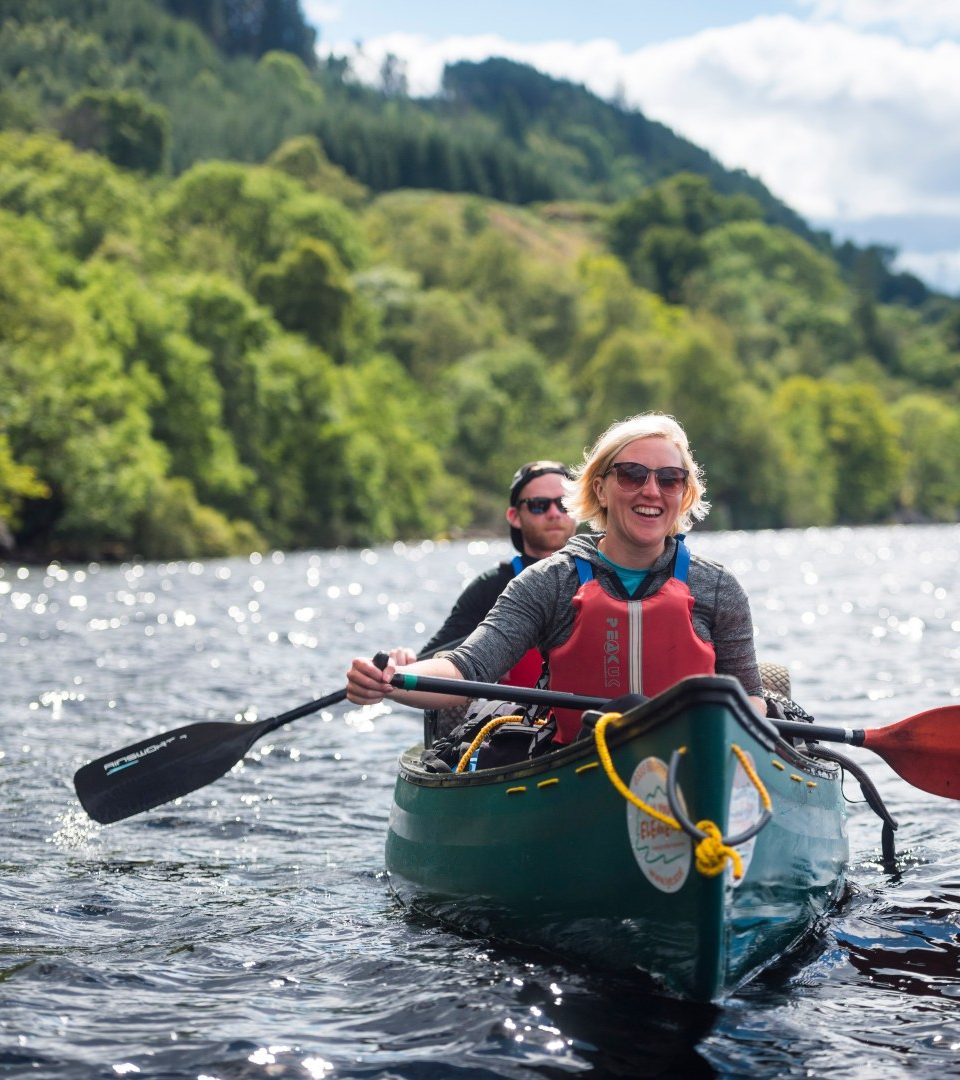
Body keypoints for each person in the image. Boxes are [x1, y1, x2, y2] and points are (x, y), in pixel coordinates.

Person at [348, 413, 765, 742]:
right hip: (579, 763)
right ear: (600, 489)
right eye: (633, 475)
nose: (652, 491)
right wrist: (390, 682)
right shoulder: (550, 582)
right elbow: (464, 671)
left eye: (670, 479)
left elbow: (750, 699)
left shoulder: (717, 587)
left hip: (693, 761)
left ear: (684, 494)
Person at [392, 460, 576, 690]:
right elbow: (432, 660)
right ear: (515, 516)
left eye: (563, 504)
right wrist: (403, 666)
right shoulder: (489, 588)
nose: (554, 513)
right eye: (539, 505)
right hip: (518, 720)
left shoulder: (605, 574)